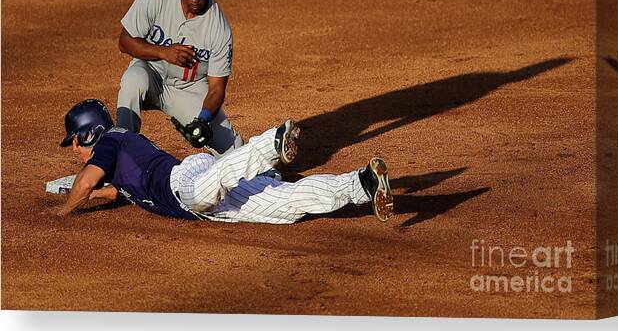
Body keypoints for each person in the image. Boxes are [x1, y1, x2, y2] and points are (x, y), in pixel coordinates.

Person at [50, 99, 395, 224]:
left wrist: (63, 213)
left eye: (76, 141)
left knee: (203, 190)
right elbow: (112, 192)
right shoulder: (119, 160)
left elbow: (85, 181)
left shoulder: (111, 141)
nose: (74, 149)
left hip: (184, 184)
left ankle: (271, 144)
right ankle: (362, 184)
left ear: (92, 133)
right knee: (287, 207)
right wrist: (90, 200)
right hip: (211, 209)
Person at [116, 0, 243, 155]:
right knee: (133, 79)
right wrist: (163, 52)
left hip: (188, 88)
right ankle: (120, 152)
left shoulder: (219, 27)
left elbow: (216, 89)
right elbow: (124, 42)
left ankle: (262, 176)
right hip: (151, 75)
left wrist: (203, 119)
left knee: (231, 148)